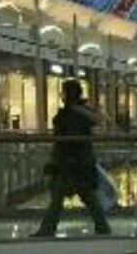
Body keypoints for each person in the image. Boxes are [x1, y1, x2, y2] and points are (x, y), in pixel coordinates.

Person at [32, 80, 111, 238]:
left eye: (64, 92)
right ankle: (102, 228)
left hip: (70, 164)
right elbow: (98, 120)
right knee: (84, 196)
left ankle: (47, 230)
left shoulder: (70, 114)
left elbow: (62, 142)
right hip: (80, 163)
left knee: (61, 197)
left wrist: (55, 161)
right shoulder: (81, 113)